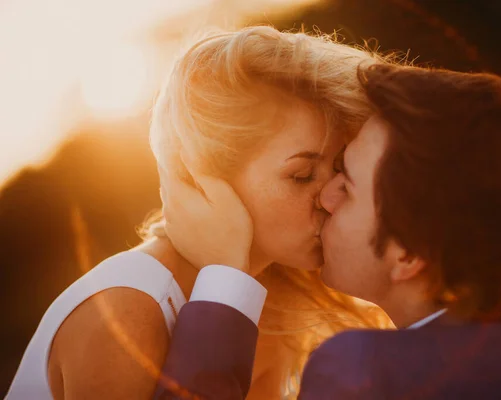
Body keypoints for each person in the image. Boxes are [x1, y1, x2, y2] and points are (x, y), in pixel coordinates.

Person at [153, 64, 501, 399]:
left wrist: (226, 277)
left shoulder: (362, 376)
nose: (325, 199)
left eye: (346, 185)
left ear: (408, 254)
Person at [6, 26, 394, 400]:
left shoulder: (275, 291)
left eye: (340, 167)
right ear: (206, 176)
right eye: (301, 175)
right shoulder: (128, 307)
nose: (330, 197)